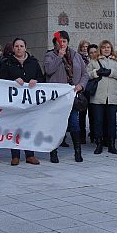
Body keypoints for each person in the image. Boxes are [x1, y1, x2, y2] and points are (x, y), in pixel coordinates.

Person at [0, 38, 45, 165]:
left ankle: (30, 154)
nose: (19, 48)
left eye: (21, 46)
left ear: (25, 48)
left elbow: (41, 77)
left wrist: (36, 81)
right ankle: (15, 155)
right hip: (14, 102)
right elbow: (1, 80)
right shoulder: (7, 63)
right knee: (15, 127)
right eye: (17, 46)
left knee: (29, 127)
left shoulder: (33, 62)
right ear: (13, 48)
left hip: (30, 102)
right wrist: (13, 80)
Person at [44, 30, 87, 163]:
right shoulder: (50, 55)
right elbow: (49, 70)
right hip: (57, 97)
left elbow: (85, 74)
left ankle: (77, 152)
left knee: (74, 123)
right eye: (59, 41)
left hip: (71, 95)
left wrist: (81, 85)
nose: (62, 44)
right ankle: (53, 151)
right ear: (55, 43)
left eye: (64, 41)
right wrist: (59, 57)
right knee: (55, 124)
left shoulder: (76, 56)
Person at [87, 40, 117, 155]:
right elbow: (87, 74)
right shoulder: (94, 60)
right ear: (100, 49)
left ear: (111, 48)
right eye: (104, 47)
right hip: (98, 96)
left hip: (112, 96)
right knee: (98, 121)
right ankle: (98, 144)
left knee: (112, 122)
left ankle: (111, 145)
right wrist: (96, 72)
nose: (106, 49)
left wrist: (110, 72)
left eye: (108, 47)